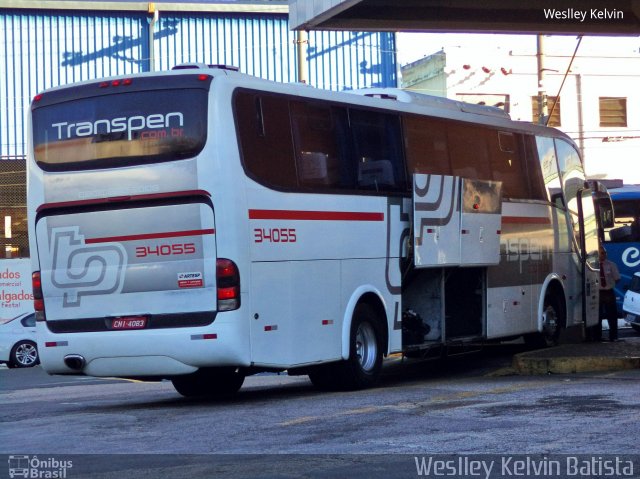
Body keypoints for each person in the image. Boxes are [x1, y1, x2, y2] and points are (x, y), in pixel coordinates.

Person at [599, 247, 621, 341]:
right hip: (597, 292)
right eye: (601, 253)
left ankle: (613, 336)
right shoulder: (592, 266)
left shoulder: (611, 265)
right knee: (597, 315)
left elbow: (617, 278)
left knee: (612, 315)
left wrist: (610, 285)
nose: (603, 255)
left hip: (608, 292)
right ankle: (597, 336)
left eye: (604, 253)